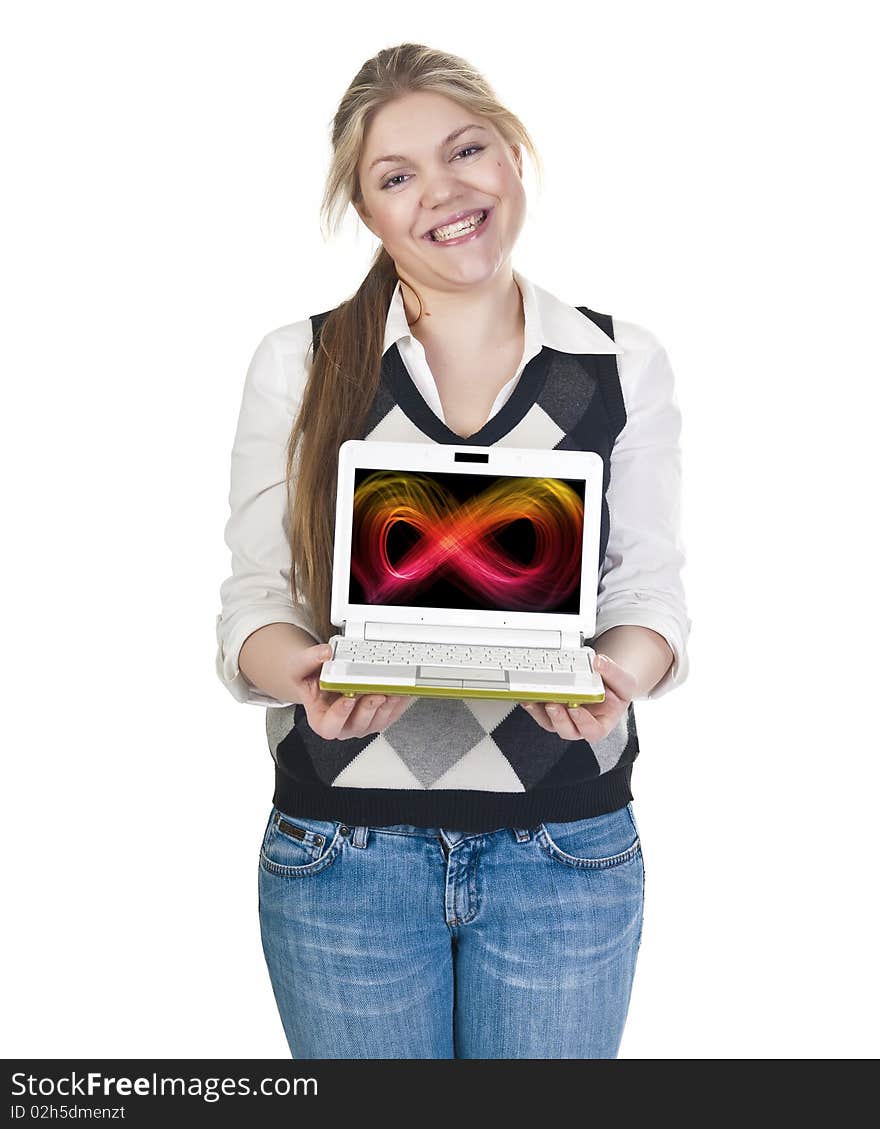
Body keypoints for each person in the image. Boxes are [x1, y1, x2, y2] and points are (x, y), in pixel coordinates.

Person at [215, 42, 691, 1059]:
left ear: (512, 154)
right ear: (367, 210)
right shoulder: (299, 363)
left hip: (565, 850)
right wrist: (297, 671)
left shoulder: (617, 362)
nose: (444, 191)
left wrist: (619, 675)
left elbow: (646, 585)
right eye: (397, 176)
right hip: (343, 853)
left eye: (466, 150)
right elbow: (257, 594)